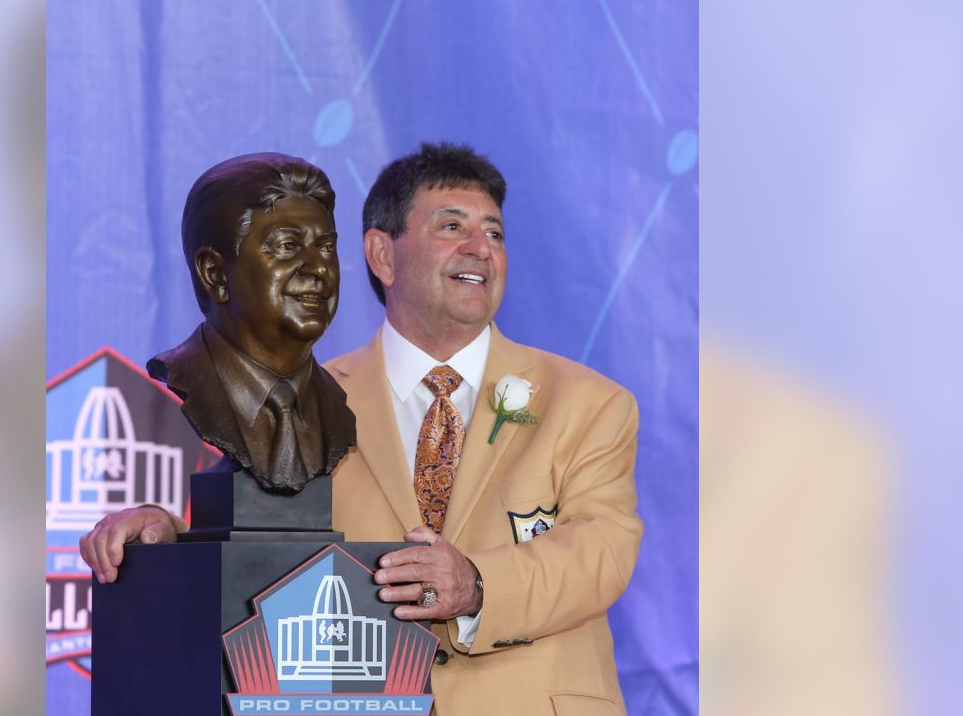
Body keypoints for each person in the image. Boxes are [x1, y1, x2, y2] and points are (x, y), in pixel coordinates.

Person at [82, 143, 641, 715]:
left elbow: (603, 549)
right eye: (453, 225)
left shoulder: (589, 402)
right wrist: (168, 538)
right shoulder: (301, 403)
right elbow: (266, 543)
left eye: (495, 234)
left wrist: (476, 584)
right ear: (382, 254)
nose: (481, 249)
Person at [144, 152, 356, 494]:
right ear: (215, 274)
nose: (318, 268)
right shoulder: (187, 384)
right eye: (288, 246)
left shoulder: (340, 409)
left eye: (326, 247)